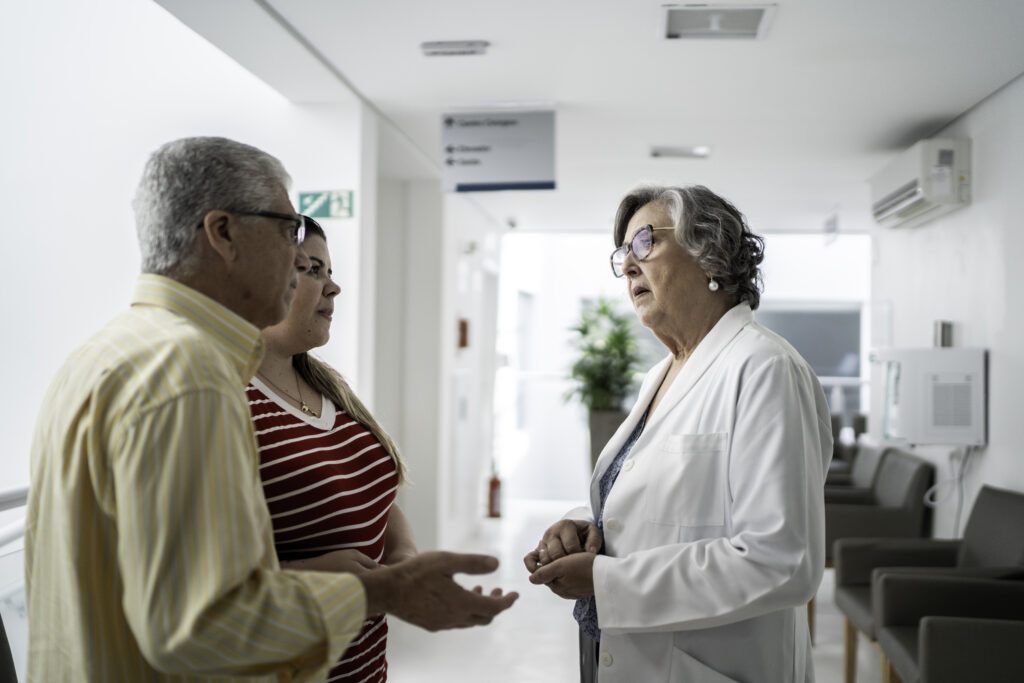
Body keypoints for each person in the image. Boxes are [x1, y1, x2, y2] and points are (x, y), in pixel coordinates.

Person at [25, 136, 517, 682]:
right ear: (224, 233)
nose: (296, 258)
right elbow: (201, 626)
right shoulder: (192, 371)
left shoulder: (109, 350)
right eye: (288, 233)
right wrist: (382, 591)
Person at [524, 184, 832, 682]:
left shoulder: (764, 368)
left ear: (710, 253)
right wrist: (588, 527)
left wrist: (607, 579)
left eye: (644, 242)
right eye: (622, 252)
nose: (627, 265)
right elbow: (670, 502)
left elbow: (781, 560)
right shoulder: (664, 373)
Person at [247, 218, 416, 681]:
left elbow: (371, 494)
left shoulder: (326, 384)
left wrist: (402, 558)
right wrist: (306, 574)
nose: (334, 287)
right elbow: (193, 580)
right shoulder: (223, 400)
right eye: (314, 269)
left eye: (329, 270)